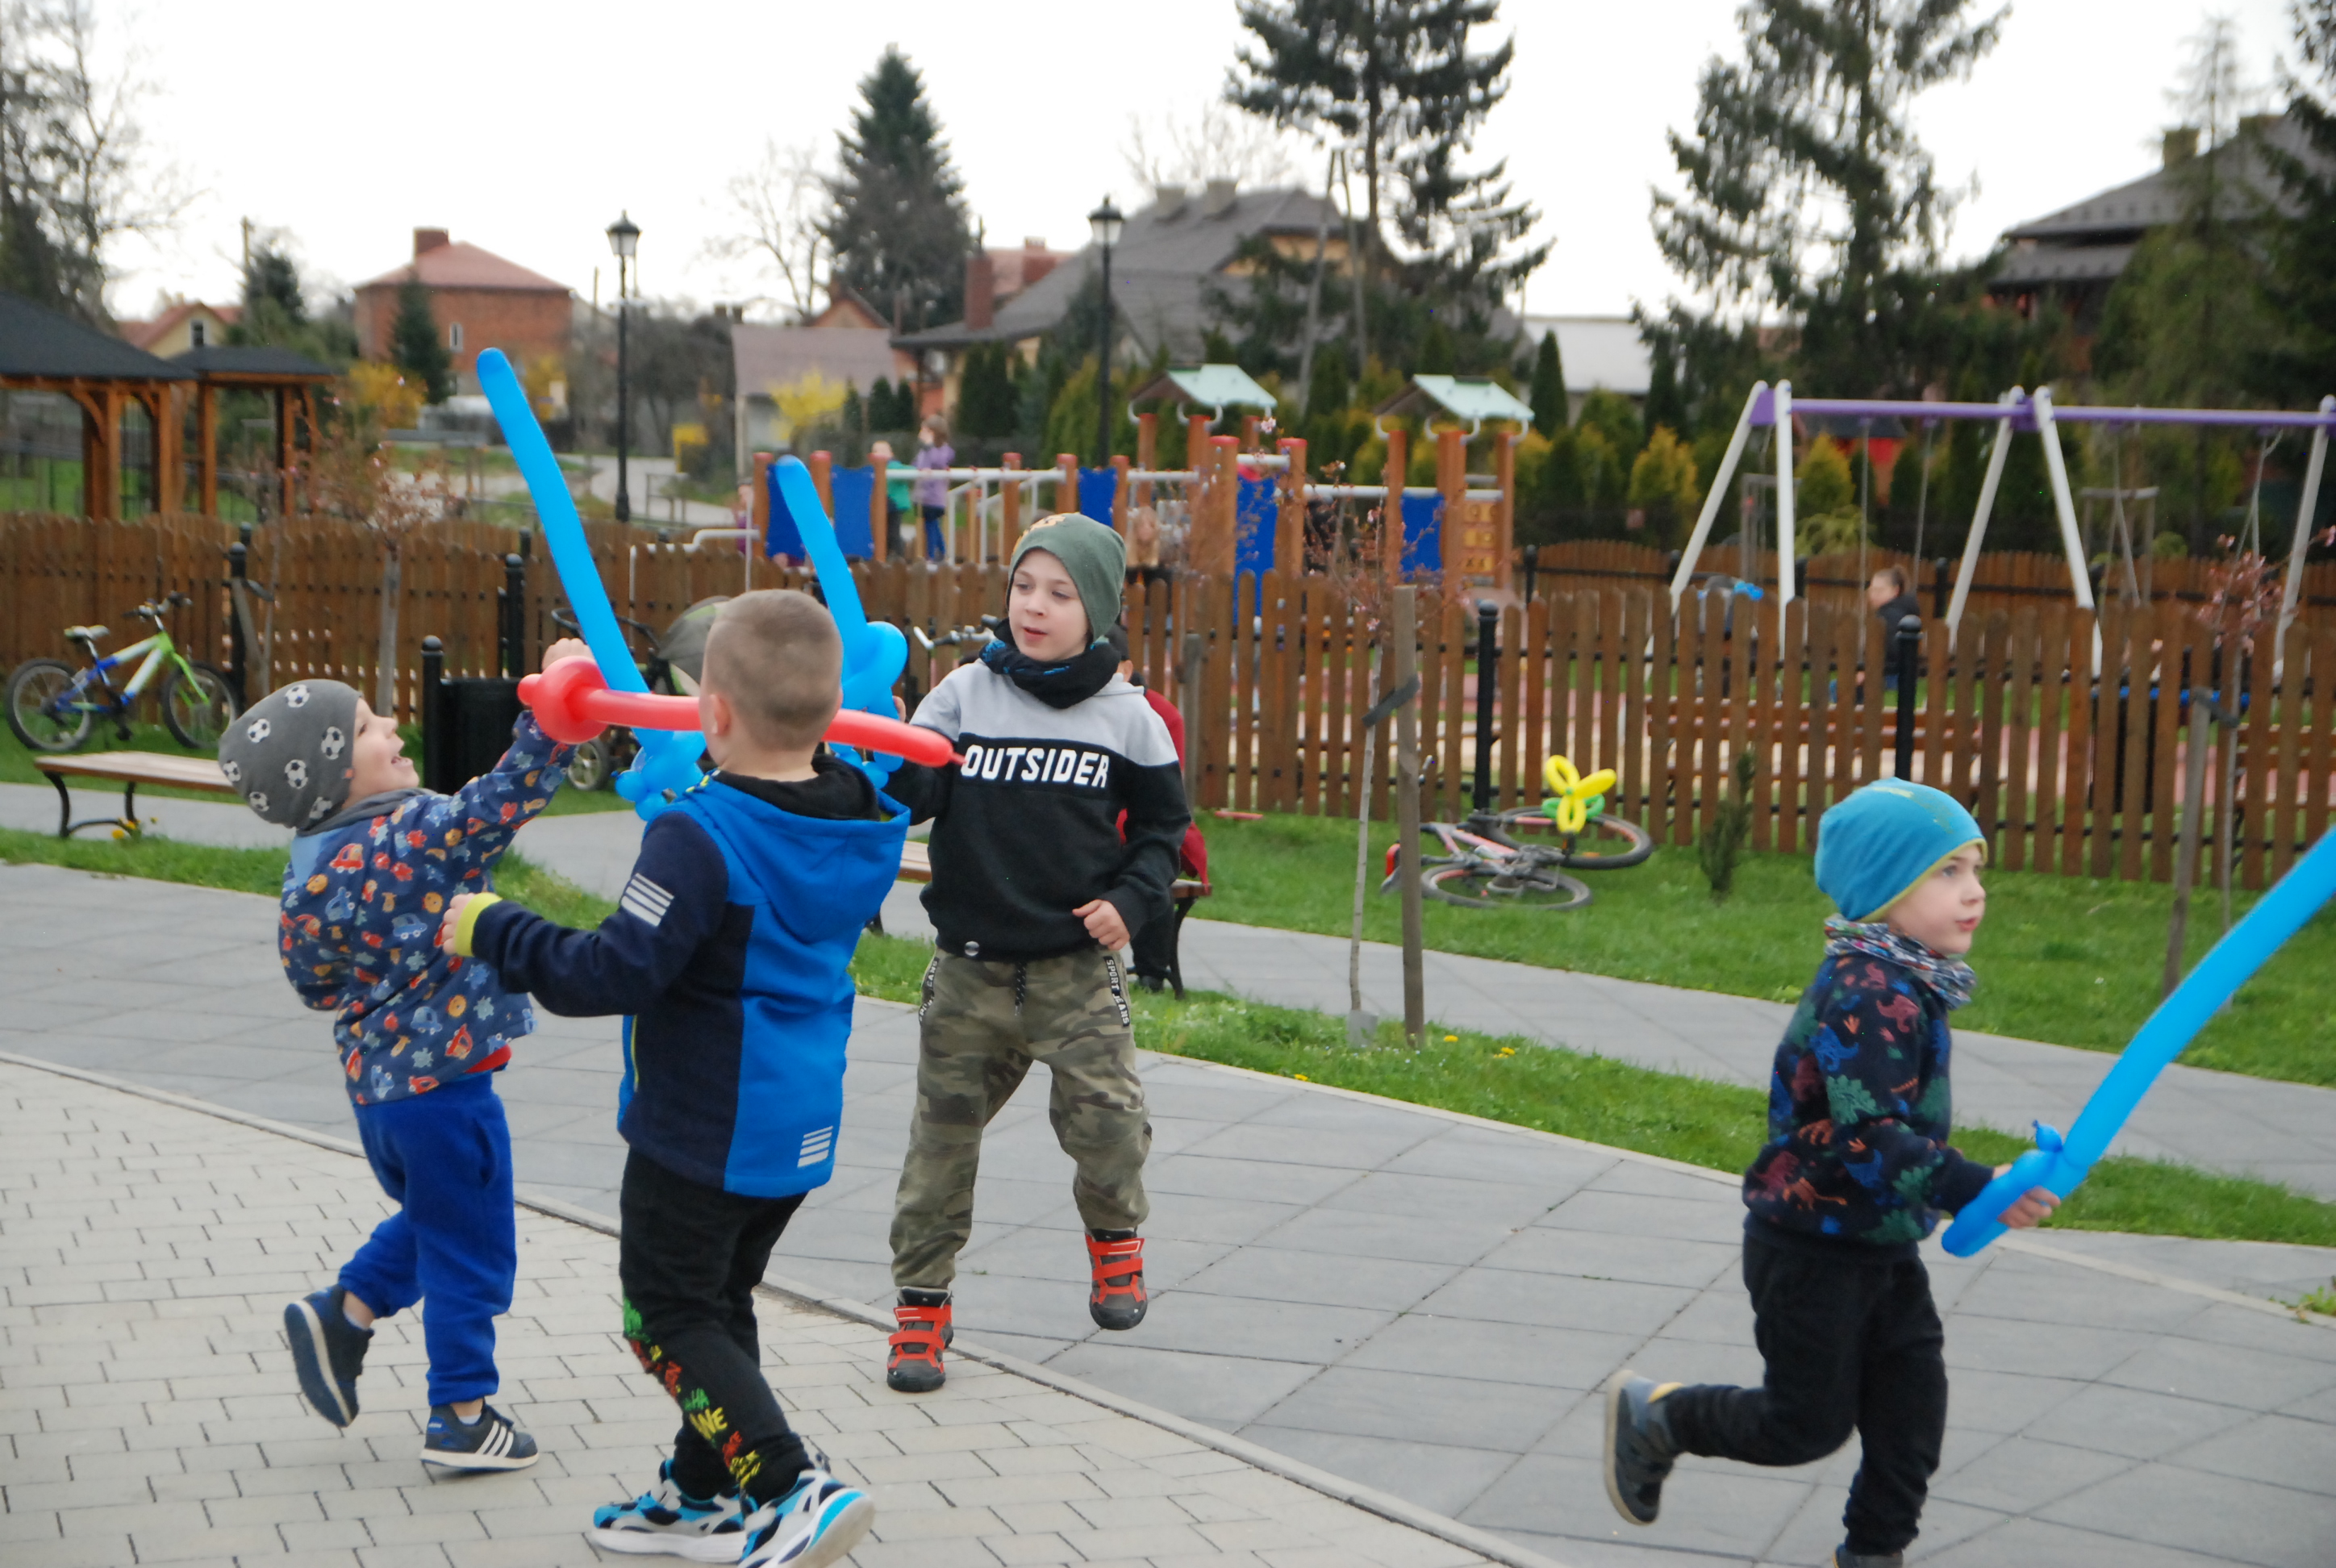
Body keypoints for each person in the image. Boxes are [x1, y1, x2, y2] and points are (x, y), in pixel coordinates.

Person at [441, 590, 895, 1566]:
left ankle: (787, 1486)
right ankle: (703, 1491)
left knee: (665, 1314)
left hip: (703, 1122)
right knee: (717, 1303)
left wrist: (497, 929)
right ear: (830, 713)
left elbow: (615, 971)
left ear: (712, 712)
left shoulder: (700, 836)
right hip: (794, 1115)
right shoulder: (855, 813)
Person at [1601, 780, 2059, 1568]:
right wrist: (1972, 1186)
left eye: (1976, 870)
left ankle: (1873, 1555)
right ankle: (1662, 1417)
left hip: (1879, 1242)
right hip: (1810, 1248)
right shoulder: (1867, 991)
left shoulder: (1910, 980)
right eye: (1947, 872)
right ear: (1885, 889)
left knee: (1911, 1418)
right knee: (1803, 1427)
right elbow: (1867, 1136)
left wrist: (1979, 1188)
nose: (1974, 891)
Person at [223, 639, 587, 1470]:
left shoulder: (308, 872)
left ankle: (344, 1315)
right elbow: (499, 801)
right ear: (332, 776)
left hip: (380, 1098)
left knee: (441, 1216)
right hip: (447, 1093)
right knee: (472, 1249)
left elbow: (314, 985)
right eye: (364, 728)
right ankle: (461, 1413)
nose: (390, 726)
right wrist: (551, 722)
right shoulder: (412, 836)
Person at [879, 513, 1191, 1393]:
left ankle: (1115, 1240)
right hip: (969, 971)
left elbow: (1164, 830)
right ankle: (920, 1312)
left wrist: (1131, 902)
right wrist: (889, 746)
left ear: (1097, 609)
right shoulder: (962, 694)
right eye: (1023, 586)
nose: (1034, 606)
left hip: (1074, 970)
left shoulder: (1129, 716)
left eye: (1059, 593)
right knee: (939, 1149)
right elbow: (915, 795)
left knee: (1109, 1125)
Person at [1107, 623, 1208, 990]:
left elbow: (1159, 796)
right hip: (1100, 824)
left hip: (1140, 822)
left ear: (1126, 670)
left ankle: (1152, 970)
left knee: (1149, 866)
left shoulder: (1161, 714)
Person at [1867, 565, 1921, 687]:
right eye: (1872, 590)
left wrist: (1868, 673)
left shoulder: (1887, 616)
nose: (1874, 595)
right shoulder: (1904, 610)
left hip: (1891, 676)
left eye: (1879, 591)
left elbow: (1891, 652)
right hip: (1905, 675)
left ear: (1895, 591)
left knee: (1835, 689)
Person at [915, 415, 955, 561]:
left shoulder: (942, 450)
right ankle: (940, 553)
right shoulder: (924, 450)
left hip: (934, 496)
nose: (920, 434)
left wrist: (929, 447)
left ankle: (933, 555)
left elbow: (938, 461)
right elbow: (918, 465)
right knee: (931, 525)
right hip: (923, 495)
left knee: (932, 525)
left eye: (924, 431)